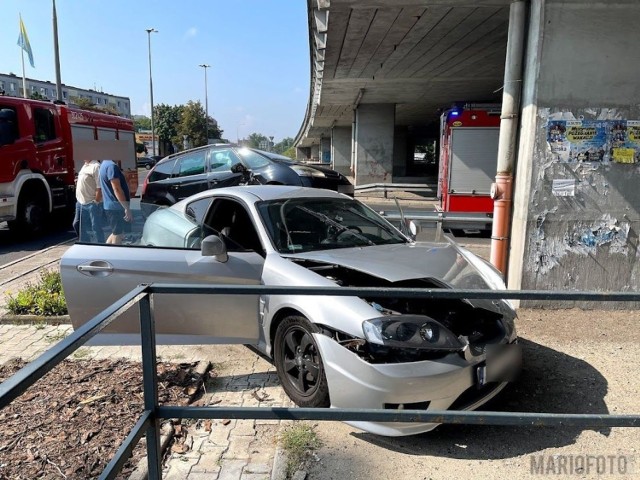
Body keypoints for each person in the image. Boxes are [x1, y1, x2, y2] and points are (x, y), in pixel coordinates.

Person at [99, 159, 131, 244]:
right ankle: (115, 255)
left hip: (110, 206)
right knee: (118, 235)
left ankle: (104, 253)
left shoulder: (104, 164)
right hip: (116, 207)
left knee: (115, 233)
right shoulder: (111, 166)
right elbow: (116, 189)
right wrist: (126, 208)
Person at [73, 159, 105, 243]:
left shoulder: (96, 166)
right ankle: (85, 242)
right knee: (77, 224)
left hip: (91, 203)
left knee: (96, 226)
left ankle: (101, 244)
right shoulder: (85, 165)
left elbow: (99, 187)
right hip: (80, 202)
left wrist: (96, 202)